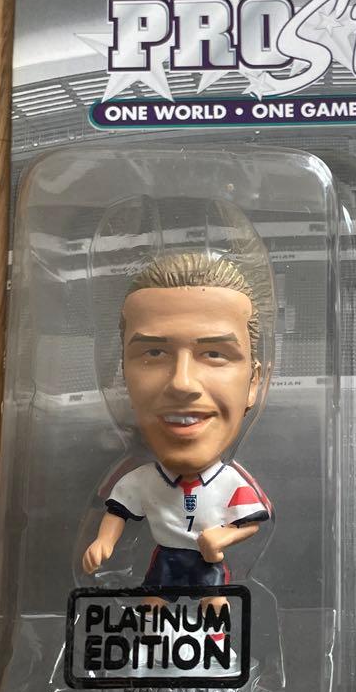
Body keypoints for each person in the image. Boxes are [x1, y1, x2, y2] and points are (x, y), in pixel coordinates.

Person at [81, 251, 271, 592]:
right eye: (154, 353)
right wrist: (103, 543)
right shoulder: (141, 479)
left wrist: (222, 537)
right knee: (154, 604)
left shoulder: (230, 482)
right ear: (123, 376)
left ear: (254, 383)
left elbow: (250, 522)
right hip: (165, 562)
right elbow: (118, 511)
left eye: (214, 354)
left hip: (206, 564)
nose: (182, 383)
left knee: (215, 604)